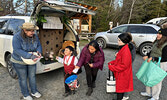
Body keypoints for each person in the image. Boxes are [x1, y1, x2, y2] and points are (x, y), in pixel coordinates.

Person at [11, 22, 42, 100]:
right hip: (19, 61)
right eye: (31, 31)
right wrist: (30, 56)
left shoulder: (34, 36)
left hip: (31, 60)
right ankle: (25, 94)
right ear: (25, 30)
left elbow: (38, 45)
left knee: (32, 76)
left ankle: (34, 91)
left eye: (33, 30)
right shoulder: (17, 37)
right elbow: (17, 50)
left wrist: (39, 51)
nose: (33, 32)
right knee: (23, 78)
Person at [140, 26, 167, 100]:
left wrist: (153, 58)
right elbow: (152, 52)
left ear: (164, 36)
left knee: (156, 81)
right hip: (153, 62)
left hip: (161, 64)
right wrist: (147, 55)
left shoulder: (166, 45)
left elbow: (165, 58)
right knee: (148, 76)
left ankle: (155, 97)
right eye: (158, 33)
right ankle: (148, 93)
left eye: (160, 34)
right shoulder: (157, 42)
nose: (157, 35)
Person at [108, 33, 134, 100]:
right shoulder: (123, 48)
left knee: (120, 89)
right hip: (122, 73)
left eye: (119, 40)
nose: (118, 42)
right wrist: (112, 63)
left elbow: (124, 65)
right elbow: (120, 61)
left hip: (123, 74)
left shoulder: (125, 51)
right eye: (118, 40)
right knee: (120, 89)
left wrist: (112, 67)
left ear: (124, 41)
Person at [123, 32, 136, 100]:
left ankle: (126, 95)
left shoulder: (131, 46)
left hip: (127, 65)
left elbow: (132, 57)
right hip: (122, 65)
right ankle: (121, 91)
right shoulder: (124, 44)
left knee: (126, 79)